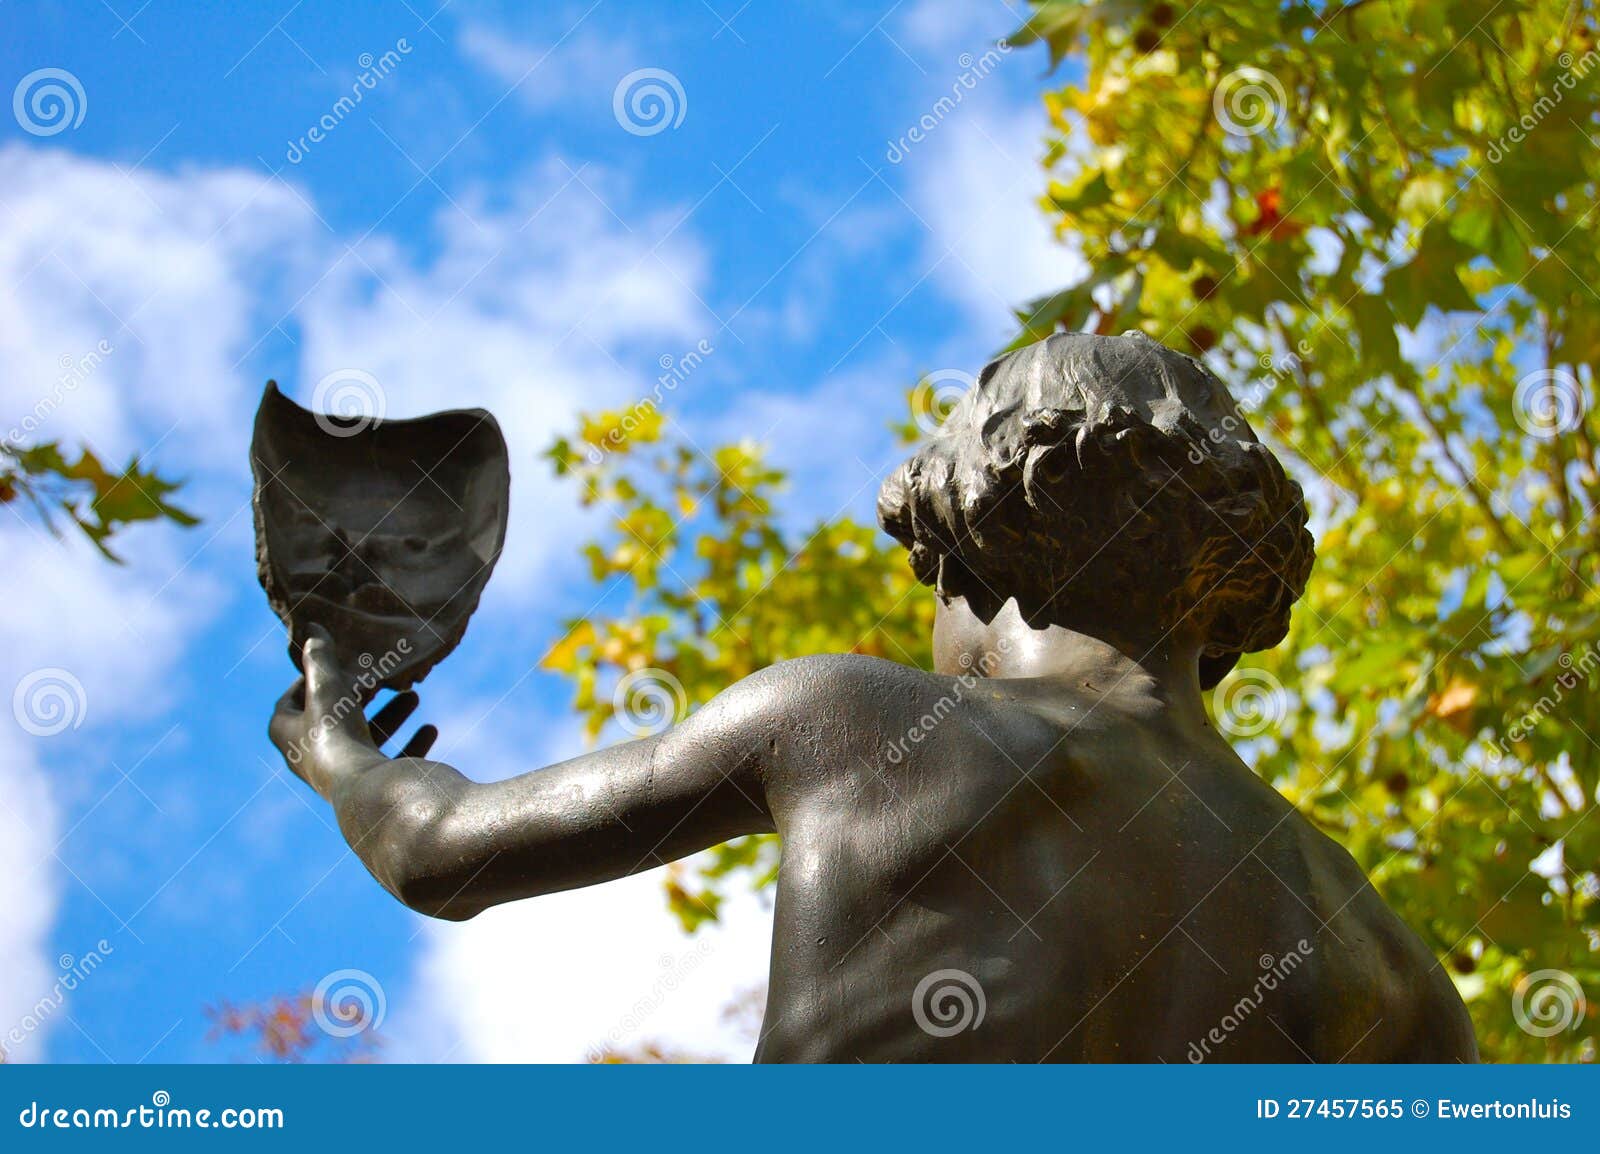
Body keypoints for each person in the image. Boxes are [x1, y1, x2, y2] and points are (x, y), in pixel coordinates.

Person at [269, 331, 1477, 1062]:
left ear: (977, 553)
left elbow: (438, 852)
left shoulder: (850, 719)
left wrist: (340, 748)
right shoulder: (1389, 959)